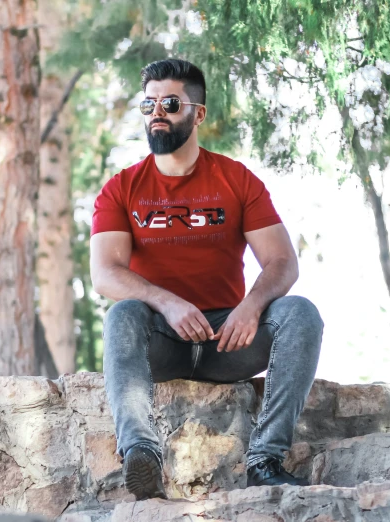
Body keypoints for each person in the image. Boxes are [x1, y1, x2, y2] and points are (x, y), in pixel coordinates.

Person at [89, 59, 324, 501]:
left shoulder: (235, 180)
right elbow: (105, 273)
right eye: (149, 103)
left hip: (228, 342)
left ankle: (265, 460)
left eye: (171, 103)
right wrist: (168, 303)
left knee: (300, 313)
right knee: (123, 314)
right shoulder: (121, 188)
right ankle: (141, 452)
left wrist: (250, 308)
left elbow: (281, 262)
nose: (158, 112)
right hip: (161, 339)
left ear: (197, 113)